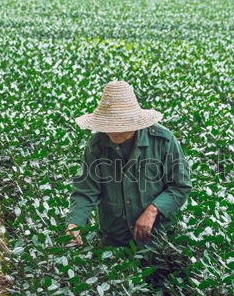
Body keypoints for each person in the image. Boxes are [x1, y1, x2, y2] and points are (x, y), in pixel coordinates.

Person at [65, 80, 192, 248]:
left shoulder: (163, 140)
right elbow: (86, 190)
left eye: (119, 125)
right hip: (115, 239)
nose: (112, 131)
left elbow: (180, 186)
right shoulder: (97, 145)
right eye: (108, 125)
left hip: (159, 238)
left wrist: (153, 210)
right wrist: (74, 223)